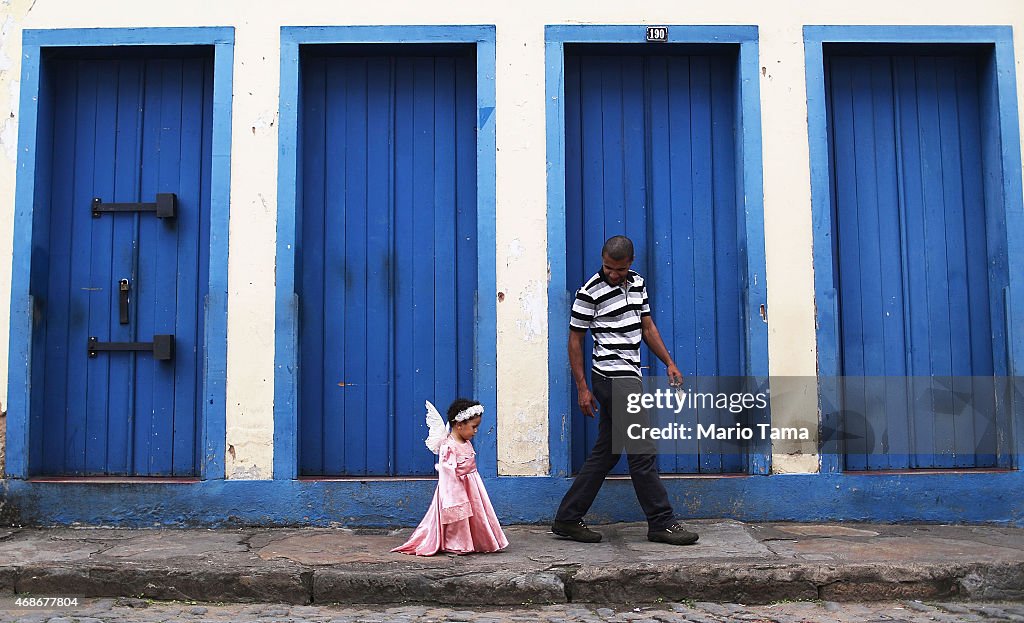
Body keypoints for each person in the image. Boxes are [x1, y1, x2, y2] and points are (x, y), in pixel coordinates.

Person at [552, 235, 699, 546]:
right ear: (602, 260)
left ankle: (567, 518)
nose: (613, 274)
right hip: (611, 377)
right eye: (608, 267)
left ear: (630, 264)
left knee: (606, 452)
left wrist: (669, 362)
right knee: (642, 451)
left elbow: (647, 327)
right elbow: (575, 341)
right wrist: (581, 387)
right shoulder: (589, 292)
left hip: (629, 375)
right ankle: (661, 522)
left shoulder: (638, 284)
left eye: (618, 269)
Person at [392, 398, 509, 556]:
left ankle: (474, 540)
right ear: (459, 425)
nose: (475, 431)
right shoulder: (448, 447)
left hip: (472, 487)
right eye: (474, 427)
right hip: (454, 488)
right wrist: (455, 496)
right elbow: (447, 475)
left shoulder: (465, 442)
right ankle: (456, 542)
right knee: (458, 517)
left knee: (476, 516)